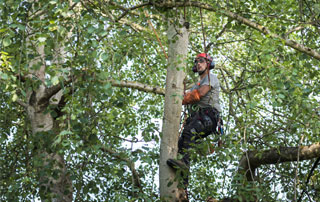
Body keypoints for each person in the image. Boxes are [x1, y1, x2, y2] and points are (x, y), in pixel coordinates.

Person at [167, 53, 222, 189]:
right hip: (199, 117)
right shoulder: (195, 85)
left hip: (209, 116)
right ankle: (182, 183)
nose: (198, 64)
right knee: (182, 144)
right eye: (196, 62)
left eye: (201, 61)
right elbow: (189, 95)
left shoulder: (211, 78)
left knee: (189, 132)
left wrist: (182, 98)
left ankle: (184, 166)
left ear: (208, 64)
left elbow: (199, 94)